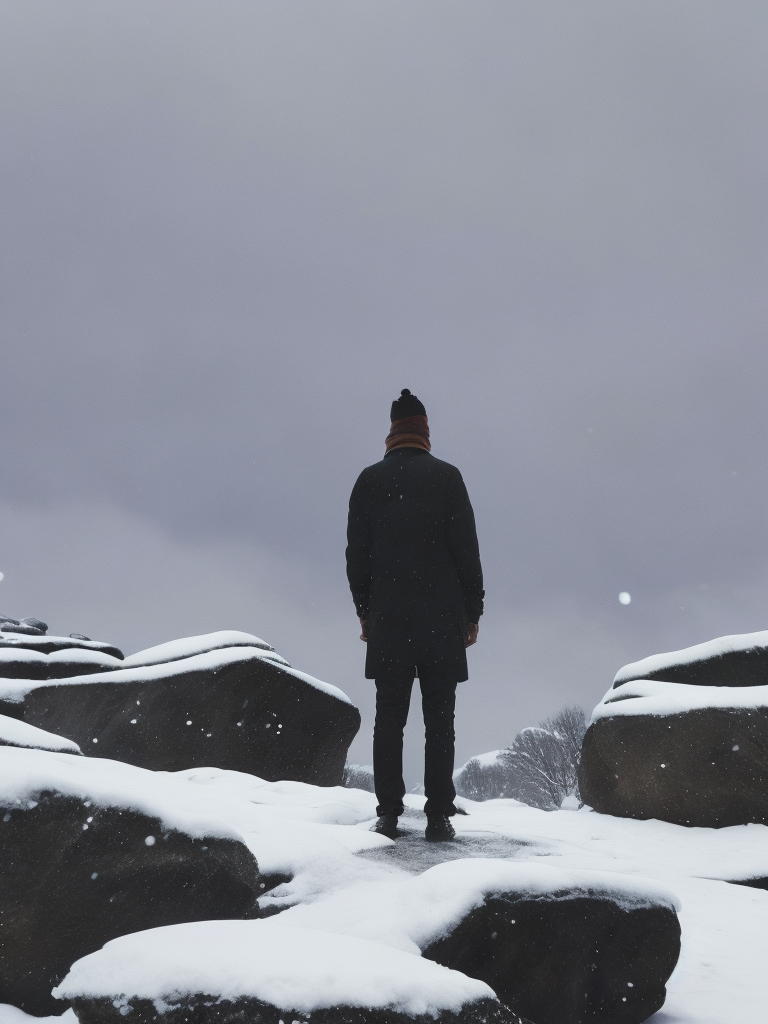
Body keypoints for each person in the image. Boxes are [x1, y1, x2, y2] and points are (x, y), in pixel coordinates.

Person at [345, 389, 484, 842]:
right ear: (424, 430)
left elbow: (357, 557)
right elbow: (467, 552)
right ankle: (439, 815)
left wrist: (365, 612)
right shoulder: (448, 478)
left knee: (390, 720)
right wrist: (472, 612)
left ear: (391, 431)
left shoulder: (369, 481)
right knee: (440, 721)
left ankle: (388, 813)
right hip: (442, 619)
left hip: (390, 620)